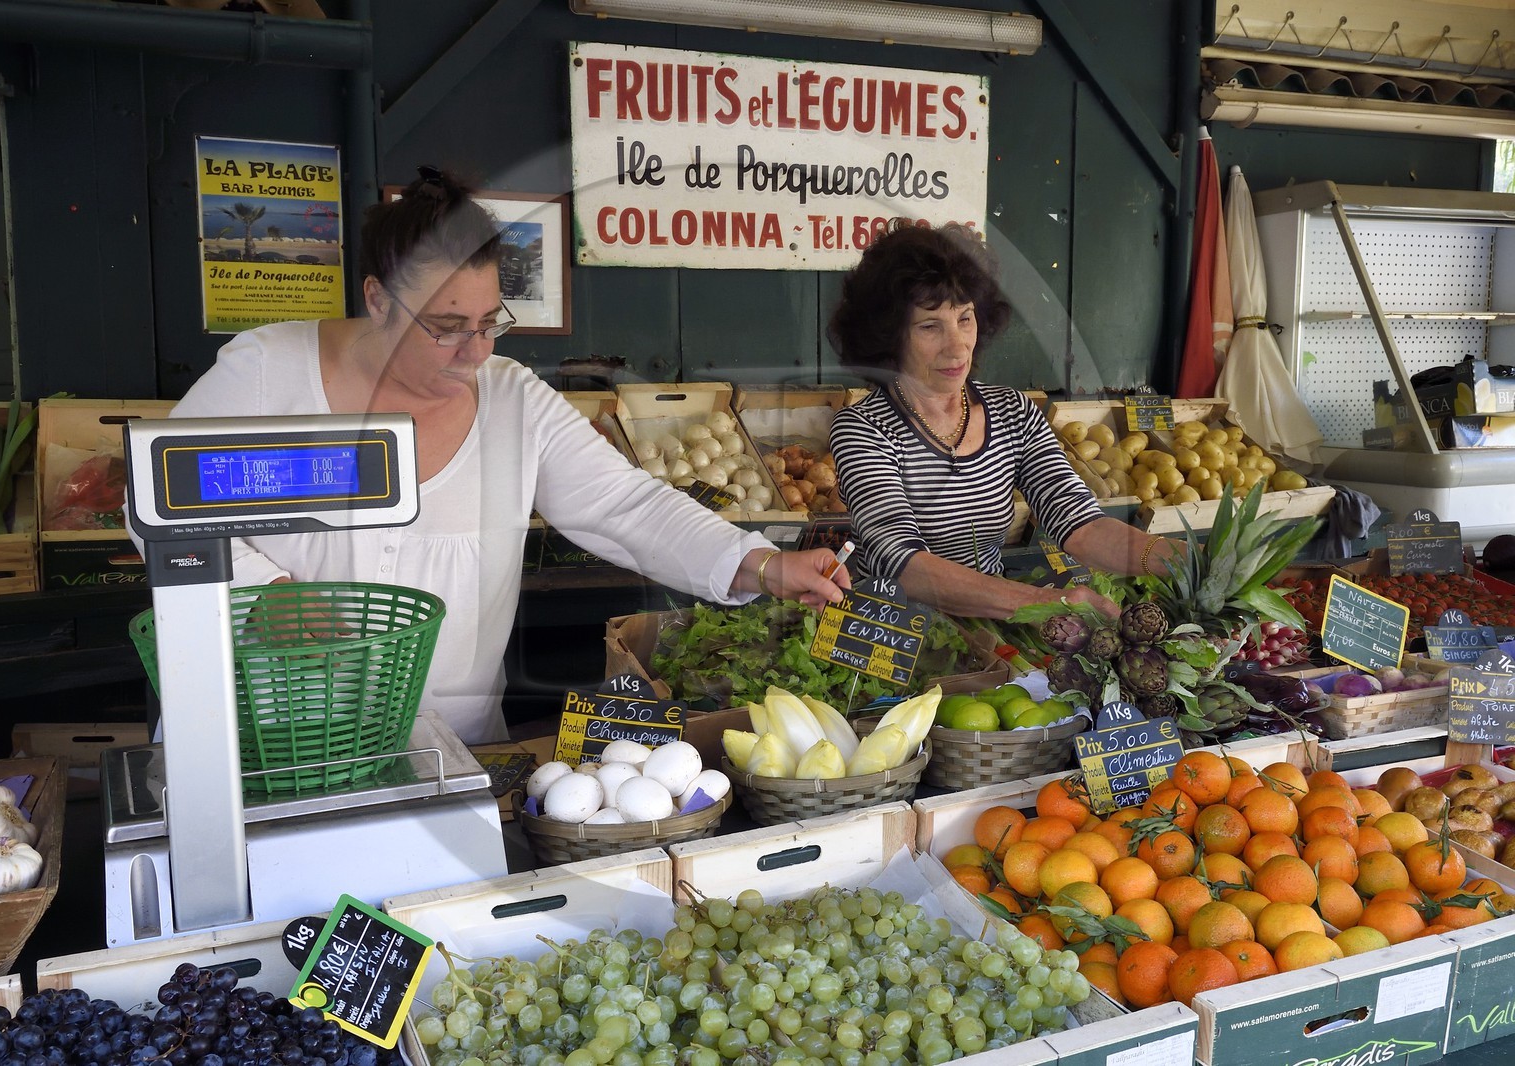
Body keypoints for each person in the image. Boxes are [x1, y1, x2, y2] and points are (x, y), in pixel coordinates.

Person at [170, 166, 848, 745]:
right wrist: (263, 594)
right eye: (445, 327)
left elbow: (627, 505)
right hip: (268, 745)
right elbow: (159, 513)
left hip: (453, 753)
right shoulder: (265, 375)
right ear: (378, 300)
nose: (476, 350)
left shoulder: (512, 402)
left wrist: (757, 562)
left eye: (489, 322)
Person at [827, 222, 1184, 619]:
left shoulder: (1012, 412)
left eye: (965, 318)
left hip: (995, 627)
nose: (957, 344)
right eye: (930, 326)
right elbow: (901, 562)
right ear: (890, 336)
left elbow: (1082, 524)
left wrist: (1184, 560)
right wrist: (1040, 603)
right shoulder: (864, 428)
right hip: (895, 637)